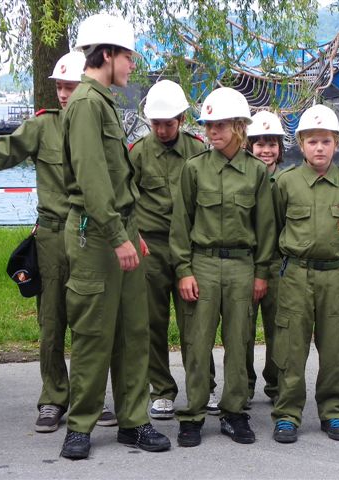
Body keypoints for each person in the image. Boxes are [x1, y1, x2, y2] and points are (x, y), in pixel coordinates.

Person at [0, 51, 116, 432]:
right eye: (59, 87)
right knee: (51, 321)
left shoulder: (101, 122)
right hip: (52, 235)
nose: (63, 94)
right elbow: (4, 151)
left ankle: (88, 399)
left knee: (89, 323)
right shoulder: (43, 126)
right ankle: (53, 398)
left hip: (90, 234)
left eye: (70, 86)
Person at [60, 13, 170, 459]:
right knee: (93, 334)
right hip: (97, 235)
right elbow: (91, 178)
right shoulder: (86, 103)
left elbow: (117, 178)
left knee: (132, 331)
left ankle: (134, 421)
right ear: (106, 54)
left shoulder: (102, 101)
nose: (131, 65)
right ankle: (80, 426)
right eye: (127, 56)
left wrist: (131, 232)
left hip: (120, 228)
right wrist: (117, 236)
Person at [169, 87, 275, 447]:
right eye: (209, 125)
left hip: (242, 266)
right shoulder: (194, 169)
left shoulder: (256, 172)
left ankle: (234, 412)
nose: (213, 131)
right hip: (202, 264)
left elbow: (265, 228)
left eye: (220, 125)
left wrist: (261, 273)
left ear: (239, 126)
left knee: (239, 341)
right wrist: (184, 270)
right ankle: (193, 414)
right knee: (197, 342)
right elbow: (181, 225)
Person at [270, 104, 339, 444]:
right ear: (301, 144)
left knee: (334, 346)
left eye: (326, 141)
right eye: (312, 141)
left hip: (334, 276)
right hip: (296, 274)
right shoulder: (286, 183)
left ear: (336, 143)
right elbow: (274, 227)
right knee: (291, 347)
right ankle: (287, 414)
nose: (319, 148)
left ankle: (334, 411)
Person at [128, 79, 218, 420]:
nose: (162, 130)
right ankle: (162, 390)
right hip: (150, 248)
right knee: (152, 322)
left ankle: (204, 386)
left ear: (181, 119)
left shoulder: (197, 150)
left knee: (196, 323)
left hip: (189, 249)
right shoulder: (138, 153)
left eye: (168, 123)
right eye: (156, 124)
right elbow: (125, 200)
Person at [245, 110, 286, 404]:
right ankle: (244, 385)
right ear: (249, 146)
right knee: (242, 330)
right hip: (246, 263)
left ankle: (276, 384)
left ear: (280, 148)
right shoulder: (243, 179)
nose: (266, 150)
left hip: (277, 264)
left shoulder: (286, 182)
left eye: (272, 144)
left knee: (278, 328)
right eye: (259, 144)